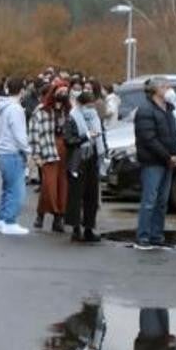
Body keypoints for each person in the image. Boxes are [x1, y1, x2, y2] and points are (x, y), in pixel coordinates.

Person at [133, 78, 176, 250]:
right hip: (152, 162)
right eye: (165, 86)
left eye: (169, 85)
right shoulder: (146, 110)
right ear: (155, 90)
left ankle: (156, 236)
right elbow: (148, 139)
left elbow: (173, 136)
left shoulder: (168, 109)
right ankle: (143, 237)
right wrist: (168, 156)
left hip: (167, 162)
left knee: (162, 201)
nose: (169, 89)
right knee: (149, 201)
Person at [64, 91, 104, 243]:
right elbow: (69, 140)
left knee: (92, 195)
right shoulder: (72, 117)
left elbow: (101, 135)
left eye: (92, 106)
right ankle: (76, 229)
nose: (90, 109)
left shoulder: (94, 117)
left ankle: (89, 228)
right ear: (80, 104)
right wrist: (86, 136)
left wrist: (102, 152)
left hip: (92, 158)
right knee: (76, 195)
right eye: (88, 106)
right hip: (77, 159)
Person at [29, 81, 69, 233]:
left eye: (66, 92)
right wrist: (36, 155)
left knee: (63, 187)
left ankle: (58, 218)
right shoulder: (41, 110)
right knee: (49, 185)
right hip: (48, 149)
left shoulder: (68, 110)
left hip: (65, 150)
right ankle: (41, 213)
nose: (63, 95)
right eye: (60, 92)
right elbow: (33, 133)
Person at [0, 78, 31, 236]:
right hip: (12, 153)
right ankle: (9, 221)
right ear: (22, 91)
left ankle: (0, 219)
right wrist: (28, 150)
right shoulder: (15, 109)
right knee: (16, 190)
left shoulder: (2, 107)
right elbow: (19, 134)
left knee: (7, 189)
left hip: (2, 152)